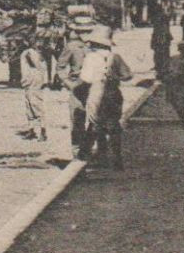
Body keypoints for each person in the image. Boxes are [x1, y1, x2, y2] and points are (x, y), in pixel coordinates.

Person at [80, 25, 133, 170]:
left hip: (97, 92)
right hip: (114, 93)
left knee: (97, 125)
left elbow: (86, 78)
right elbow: (128, 75)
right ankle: (117, 158)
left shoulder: (91, 57)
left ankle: (102, 156)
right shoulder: (115, 57)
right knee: (114, 125)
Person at [57, 25, 90, 159]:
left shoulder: (98, 46)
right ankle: (77, 152)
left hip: (96, 86)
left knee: (98, 120)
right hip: (77, 86)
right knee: (77, 119)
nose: (85, 34)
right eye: (82, 31)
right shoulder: (71, 47)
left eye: (87, 30)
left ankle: (100, 153)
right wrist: (68, 83)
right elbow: (60, 67)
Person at [18, 44, 46, 141]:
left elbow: (37, 64)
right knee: (29, 105)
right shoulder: (26, 52)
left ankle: (43, 130)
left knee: (35, 104)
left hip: (32, 80)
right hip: (29, 80)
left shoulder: (29, 52)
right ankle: (32, 129)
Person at [150, 3, 174, 79]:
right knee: (163, 55)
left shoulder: (159, 17)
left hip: (161, 38)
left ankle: (162, 71)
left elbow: (160, 29)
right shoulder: (163, 16)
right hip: (162, 38)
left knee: (160, 55)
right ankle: (162, 70)